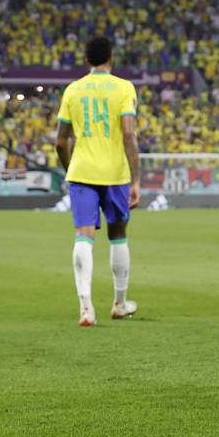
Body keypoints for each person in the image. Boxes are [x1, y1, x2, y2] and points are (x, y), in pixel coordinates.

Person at [54, 35, 141, 327]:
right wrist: (137, 178)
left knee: (83, 235)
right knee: (118, 234)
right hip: (115, 172)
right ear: (111, 58)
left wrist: (71, 168)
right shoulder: (123, 88)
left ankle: (86, 308)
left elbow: (60, 140)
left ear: (87, 60)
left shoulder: (73, 90)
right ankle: (119, 303)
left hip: (82, 171)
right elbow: (128, 134)